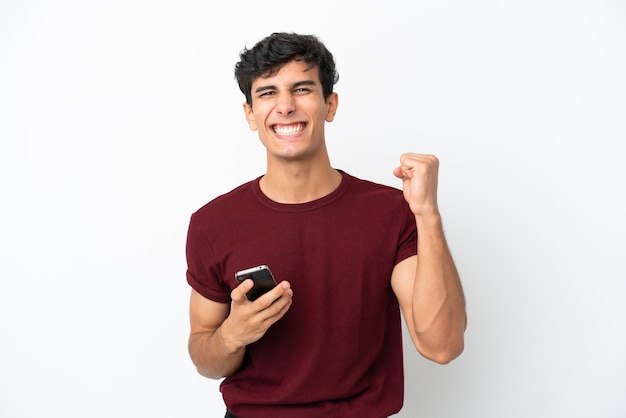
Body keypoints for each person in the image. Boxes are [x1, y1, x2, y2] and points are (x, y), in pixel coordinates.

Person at [185, 32, 467, 418]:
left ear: (329, 104)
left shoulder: (392, 212)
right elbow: (206, 359)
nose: (285, 106)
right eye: (267, 93)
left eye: (301, 89)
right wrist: (234, 335)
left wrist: (427, 214)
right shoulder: (211, 224)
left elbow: (441, 346)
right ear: (250, 114)